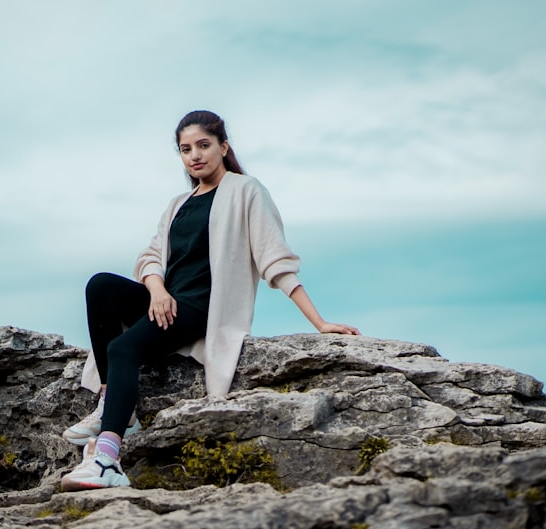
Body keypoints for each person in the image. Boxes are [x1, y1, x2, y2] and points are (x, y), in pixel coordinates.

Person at [60, 110, 360, 491]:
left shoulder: (246, 191)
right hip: (166, 302)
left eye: (203, 145)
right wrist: (157, 290)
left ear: (223, 146)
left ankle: (107, 459)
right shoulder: (178, 204)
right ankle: (112, 403)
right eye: (186, 149)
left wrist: (320, 323)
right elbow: (150, 257)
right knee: (100, 285)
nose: (194, 156)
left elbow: (276, 261)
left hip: (202, 309)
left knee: (123, 349)